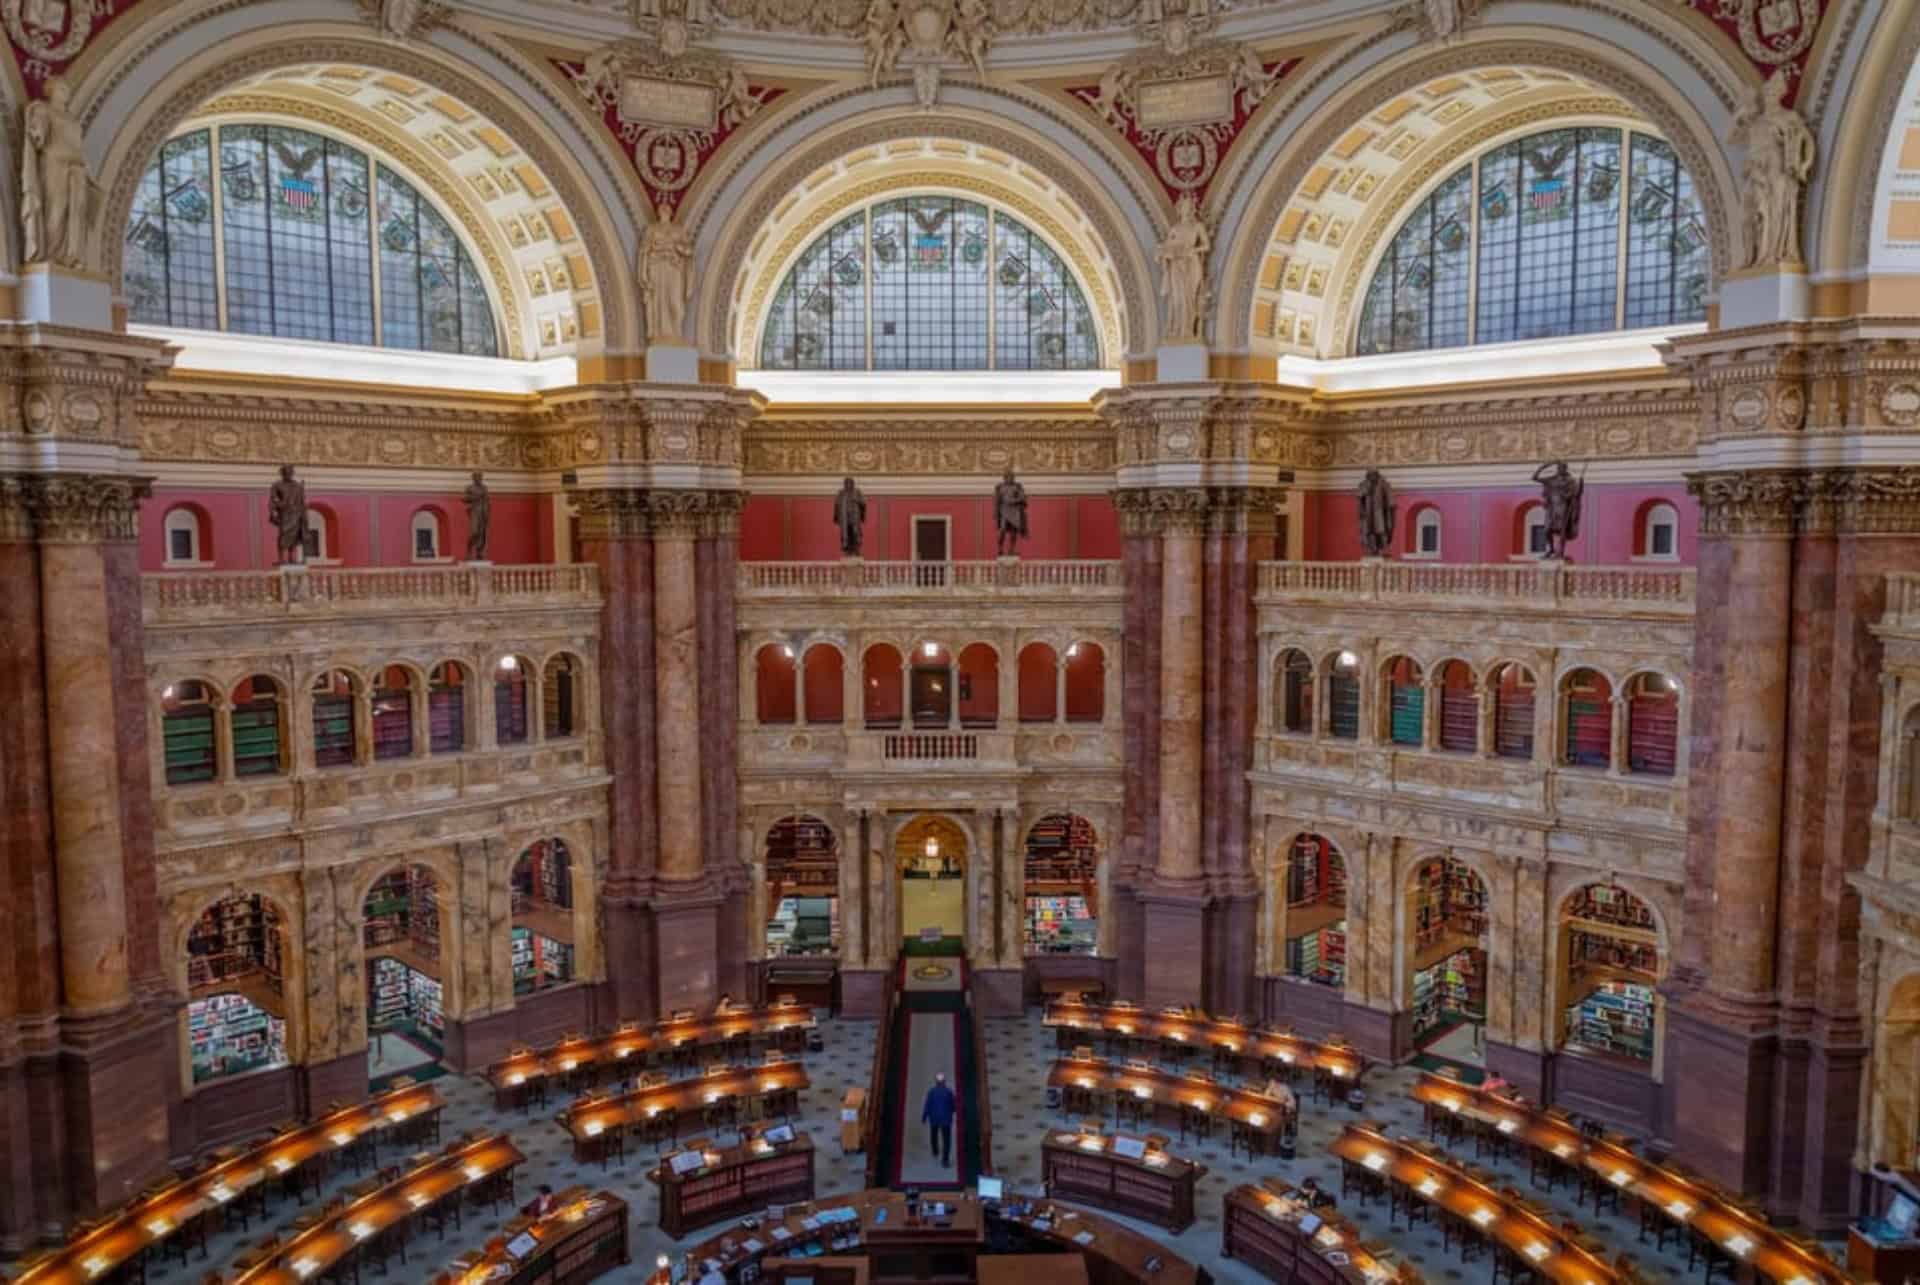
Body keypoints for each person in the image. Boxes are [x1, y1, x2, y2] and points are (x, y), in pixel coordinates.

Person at [922, 1070, 957, 1167]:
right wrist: (952, 1111)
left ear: (936, 1082)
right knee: (946, 1139)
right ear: (944, 1081)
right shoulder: (949, 1092)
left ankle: (935, 1151)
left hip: (934, 1118)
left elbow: (927, 1105)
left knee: (934, 1134)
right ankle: (945, 1160)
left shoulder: (931, 1092)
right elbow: (954, 1106)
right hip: (946, 1119)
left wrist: (924, 1116)